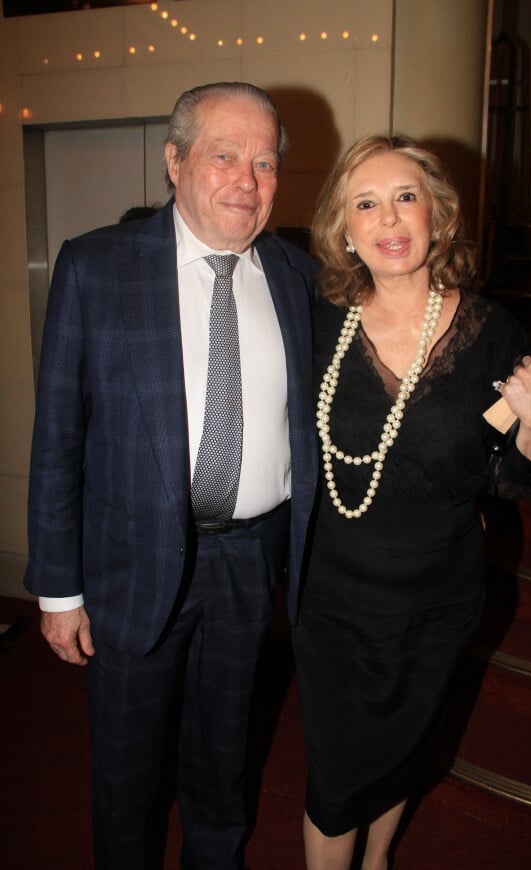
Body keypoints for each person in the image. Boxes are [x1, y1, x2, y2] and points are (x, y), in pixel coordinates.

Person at [24, 81, 318, 870]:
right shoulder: (97, 268)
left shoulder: (297, 276)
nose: (247, 182)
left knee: (224, 759)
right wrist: (58, 591)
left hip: (252, 560)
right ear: (175, 160)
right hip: (130, 562)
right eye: (225, 156)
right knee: (127, 769)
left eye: (264, 162)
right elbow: (57, 437)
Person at [292, 134, 531, 869]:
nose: (390, 218)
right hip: (334, 598)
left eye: (406, 196)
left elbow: (503, 482)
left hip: (440, 596)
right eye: (366, 203)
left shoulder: (489, 331)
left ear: (437, 214)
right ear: (345, 230)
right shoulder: (315, 322)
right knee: (337, 774)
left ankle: (376, 862)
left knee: (403, 753)